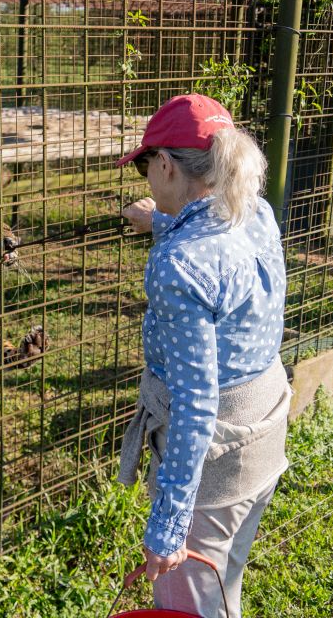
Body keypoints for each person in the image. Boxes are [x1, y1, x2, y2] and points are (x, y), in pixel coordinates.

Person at [115, 94, 291, 618]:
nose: (147, 180)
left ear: (166, 165)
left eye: (147, 167)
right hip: (263, 437)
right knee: (223, 583)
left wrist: (168, 528)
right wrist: (161, 222)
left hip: (211, 471)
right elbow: (216, 250)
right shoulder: (255, 211)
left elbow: (196, 405)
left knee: (186, 606)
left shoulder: (177, 267)